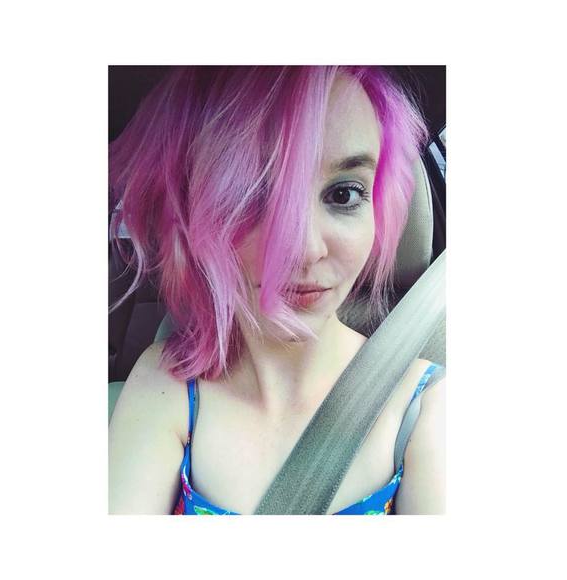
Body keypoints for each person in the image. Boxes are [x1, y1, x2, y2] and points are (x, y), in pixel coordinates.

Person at [108, 66, 445, 515]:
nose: (305, 249)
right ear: (187, 215)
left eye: (344, 195)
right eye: (252, 196)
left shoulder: (425, 406)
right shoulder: (166, 385)